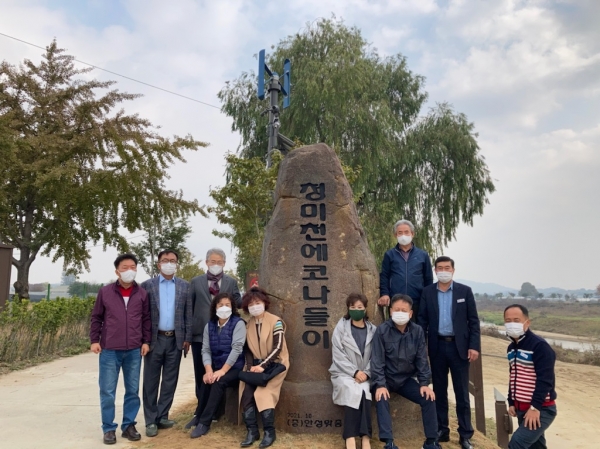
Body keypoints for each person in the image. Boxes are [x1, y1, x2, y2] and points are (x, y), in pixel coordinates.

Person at [419, 256, 480, 449]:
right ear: (435, 271)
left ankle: (465, 434)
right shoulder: (427, 292)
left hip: (459, 348)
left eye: (447, 268)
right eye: (440, 268)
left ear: (453, 270)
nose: (443, 271)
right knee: (439, 391)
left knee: (462, 393)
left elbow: (473, 321)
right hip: (437, 347)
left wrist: (474, 346)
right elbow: (422, 321)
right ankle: (441, 430)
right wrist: (423, 346)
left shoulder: (464, 291)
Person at [90, 253, 151, 445]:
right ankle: (108, 428)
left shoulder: (142, 293)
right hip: (109, 349)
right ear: (117, 271)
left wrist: (146, 341)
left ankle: (128, 425)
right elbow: (96, 317)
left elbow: (146, 319)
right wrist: (94, 340)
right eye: (125, 267)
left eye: (133, 267)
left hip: (134, 350)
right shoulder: (105, 292)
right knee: (107, 391)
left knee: (132, 390)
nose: (129, 271)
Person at [371, 294, 440, 449]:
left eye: (404, 310)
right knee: (381, 397)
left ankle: (431, 442)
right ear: (390, 311)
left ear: (410, 313)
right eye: (397, 309)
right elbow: (377, 361)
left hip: (405, 380)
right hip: (386, 378)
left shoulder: (417, 331)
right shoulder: (382, 330)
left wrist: (424, 383)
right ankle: (388, 442)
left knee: (428, 398)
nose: (400, 313)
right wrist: (380, 384)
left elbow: (422, 359)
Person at [186, 248, 242, 429]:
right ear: (207, 262)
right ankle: (200, 410)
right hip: (199, 335)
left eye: (219, 262)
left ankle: (217, 411)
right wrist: (187, 336)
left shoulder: (231, 282)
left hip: (223, 335)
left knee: (220, 374)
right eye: (213, 261)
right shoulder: (196, 282)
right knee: (202, 374)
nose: (216, 265)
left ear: (224, 263)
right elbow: (189, 309)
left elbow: (238, 302)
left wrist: (254, 297)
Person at [141, 249, 192, 437]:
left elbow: (188, 314)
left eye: (172, 260)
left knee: (170, 380)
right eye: (165, 260)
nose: (169, 263)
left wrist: (187, 338)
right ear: (159, 264)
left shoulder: (185, 286)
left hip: (175, 340)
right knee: (150, 381)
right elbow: (143, 316)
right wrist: (144, 340)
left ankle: (162, 416)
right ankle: (150, 420)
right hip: (154, 340)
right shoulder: (147, 286)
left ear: (177, 264)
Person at [189, 292, 247, 438]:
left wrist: (222, 371)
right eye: (220, 305)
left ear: (232, 307)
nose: (224, 308)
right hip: (216, 366)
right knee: (207, 380)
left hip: (235, 367)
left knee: (218, 381)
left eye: (227, 305)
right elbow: (205, 350)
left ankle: (205, 422)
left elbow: (237, 349)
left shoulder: (238, 324)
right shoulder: (209, 326)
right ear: (215, 307)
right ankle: (198, 415)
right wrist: (208, 370)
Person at [239, 287, 289, 448]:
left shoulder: (276, 321)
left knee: (263, 393)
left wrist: (262, 365)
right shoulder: (248, 324)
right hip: (254, 366)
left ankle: (269, 432)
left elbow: (278, 346)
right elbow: (247, 349)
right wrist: (250, 367)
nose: (255, 306)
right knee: (246, 394)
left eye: (257, 303)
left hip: (275, 365)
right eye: (251, 304)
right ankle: (252, 431)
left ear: (264, 303)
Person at [504, 304, 557, 449]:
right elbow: (514, 376)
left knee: (516, 444)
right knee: (535, 447)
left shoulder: (540, 346)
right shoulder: (511, 348)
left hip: (540, 409)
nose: (512, 324)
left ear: (527, 322)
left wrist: (535, 408)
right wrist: (511, 401)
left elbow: (545, 380)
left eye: (516, 320)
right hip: (521, 408)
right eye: (508, 321)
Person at [329, 293, 376, 449]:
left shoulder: (373, 330)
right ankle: (350, 437)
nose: (356, 310)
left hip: (366, 374)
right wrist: (355, 372)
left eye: (360, 307)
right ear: (348, 309)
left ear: (365, 309)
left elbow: (377, 356)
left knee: (364, 391)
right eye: (353, 307)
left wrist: (366, 373)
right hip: (344, 373)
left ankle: (365, 437)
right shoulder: (341, 328)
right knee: (352, 390)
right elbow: (338, 354)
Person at [378, 219, 433, 320]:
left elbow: (428, 278)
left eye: (406, 232)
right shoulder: (390, 255)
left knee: (417, 328)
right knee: (395, 328)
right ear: (395, 235)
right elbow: (385, 276)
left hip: (417, 300)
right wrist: (384, 293)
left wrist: (428, 297)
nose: (403, 235)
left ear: (412, 234)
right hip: (396, 300)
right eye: (400, 232)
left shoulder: (422, 255)